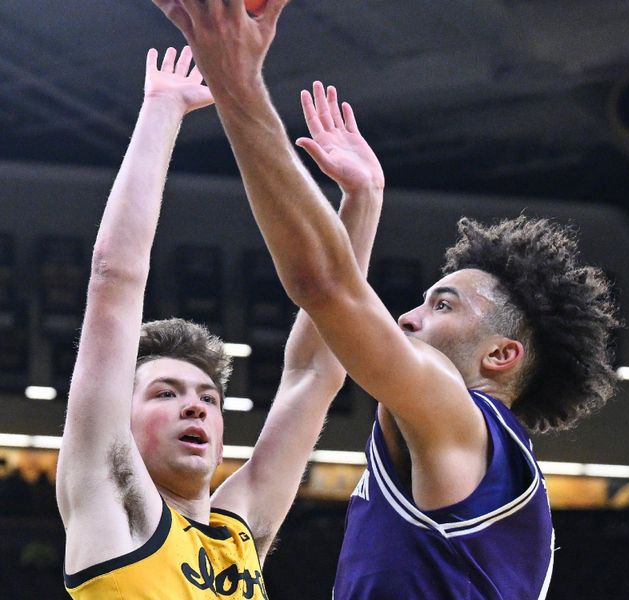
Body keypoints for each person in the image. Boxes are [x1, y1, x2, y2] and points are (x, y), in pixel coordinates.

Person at [151, 2, 619, 597]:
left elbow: (327, 287)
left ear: (500, 356)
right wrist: (362, 200)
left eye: (443, 306)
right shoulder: (466, 452)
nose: (407, 316)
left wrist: (236, 79)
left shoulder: (462, 416)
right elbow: (311, 366)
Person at [55, 44, 384, 598]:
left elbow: (313, 374)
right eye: (164, 393)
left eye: (208, 398)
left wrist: (363, 200)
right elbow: (115, 279)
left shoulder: (239, 535)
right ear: (119, 417)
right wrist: (161, 107)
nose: (194, 406)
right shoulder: (112, 500)